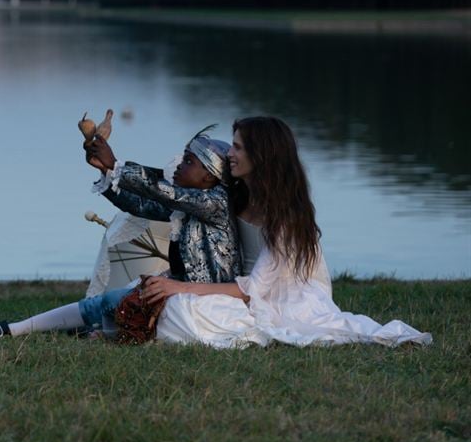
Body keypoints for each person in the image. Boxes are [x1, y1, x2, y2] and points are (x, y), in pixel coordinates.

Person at [143, 116, 430, 348]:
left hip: (281, 299)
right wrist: (112, 172)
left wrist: (181, 287)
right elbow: (173, 196)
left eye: (238, 148)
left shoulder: (286, 216)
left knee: (183, 308)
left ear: (262, 155)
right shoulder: (236, 195)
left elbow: (254, 290)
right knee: (166, 299)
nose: (229, 154)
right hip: (239, 288)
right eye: (233, 146)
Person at [0, 125, 240, 337]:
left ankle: (22, 330)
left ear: (209, 176)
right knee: (104, 304)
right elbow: (141, 205)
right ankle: (13, 330)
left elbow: (163, 191)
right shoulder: (189, 205)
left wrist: (116, 164)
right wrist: (107, 174)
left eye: (189, 161)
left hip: (208, 301)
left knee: (112, 303)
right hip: (184, 292)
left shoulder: (214, 201)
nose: (180, 163)